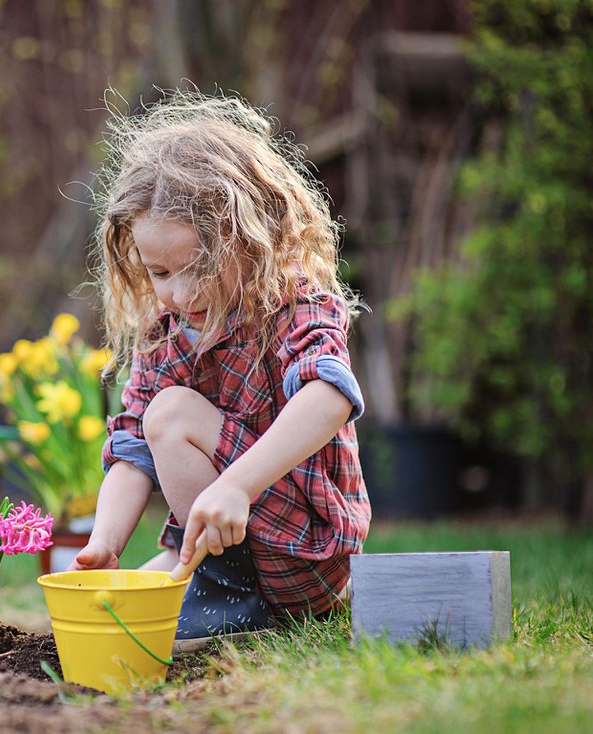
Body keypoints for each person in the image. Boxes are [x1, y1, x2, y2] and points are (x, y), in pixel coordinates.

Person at [68, 90, 371, 651]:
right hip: (232, 542)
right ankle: (213, 582)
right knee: (124, 603)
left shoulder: (294, 305)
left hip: (305, 555)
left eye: (198, 267)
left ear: (251, 238)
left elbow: (329, 395)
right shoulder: (165, 332)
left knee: (173, 413)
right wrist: (105, 541)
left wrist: (236, 484)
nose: (179, 293)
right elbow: (132, 444)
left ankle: (233, 598)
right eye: (159, 271)